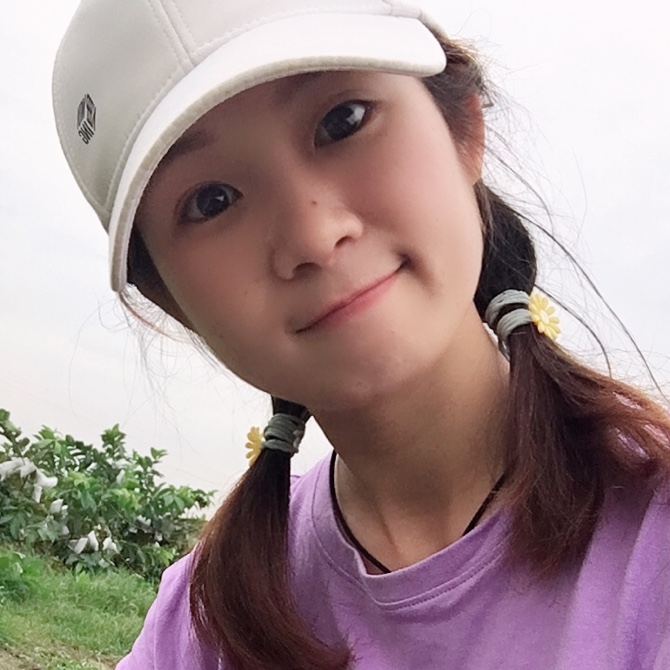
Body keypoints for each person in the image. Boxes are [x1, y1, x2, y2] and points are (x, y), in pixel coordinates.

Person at [52, 1, 670, 668]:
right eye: (211, 201)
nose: (313, 237)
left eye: (343, 120)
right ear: (172, 301)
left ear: (463, 128)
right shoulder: (202, 623)